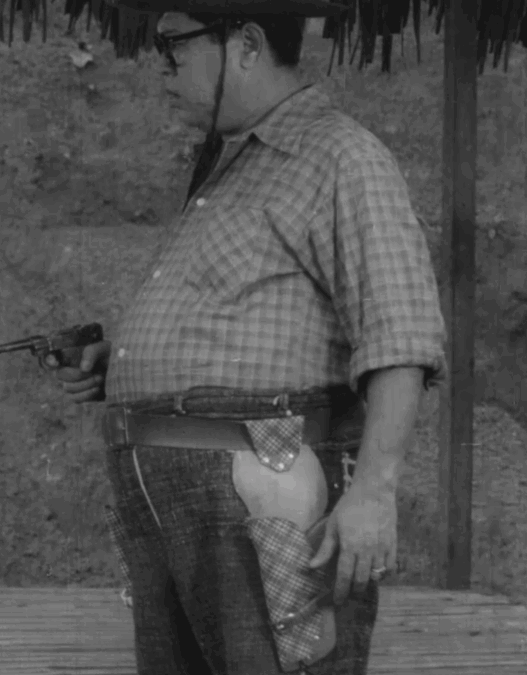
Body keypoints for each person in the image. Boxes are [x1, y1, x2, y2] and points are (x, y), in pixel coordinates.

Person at [49, 1, 447, 673]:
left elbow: (400, 335)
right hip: (180, 497)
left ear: (248, 43)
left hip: (267, 495)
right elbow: (244, 320)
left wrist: (374, 491)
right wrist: (123, 365)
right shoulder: (227, 164)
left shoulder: (342, 156)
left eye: (174, 45)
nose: (161, 67)